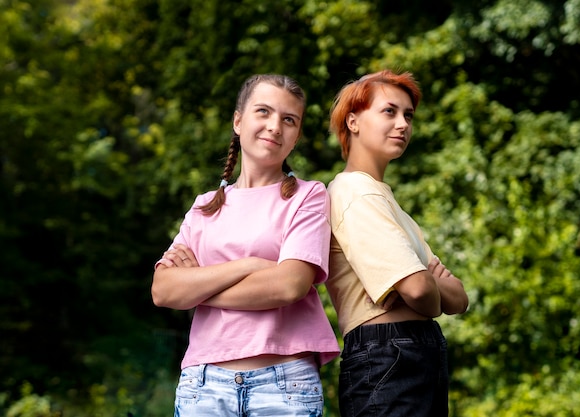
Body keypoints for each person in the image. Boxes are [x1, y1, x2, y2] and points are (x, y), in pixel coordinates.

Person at [151, 74, 340, 417]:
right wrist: (250, 265)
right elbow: (163, 291)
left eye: (289, 119)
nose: (275, 126)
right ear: (238, 121)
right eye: (263, 112)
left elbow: (288, 285)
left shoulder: (309, 196)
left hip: (285, 386)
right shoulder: (204, 207)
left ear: (296, 136)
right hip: (203, 386)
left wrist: (198, 287)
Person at [325, 69, 469, 417]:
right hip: (386, 354)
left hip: (415, 352)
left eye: (408, 115)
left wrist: (422, 288)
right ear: (354, 121)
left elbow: (459, 297)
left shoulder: (388, 203)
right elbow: (422, 292)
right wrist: (427, 286)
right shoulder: (352, 191)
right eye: (389, 111)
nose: (403, 123)